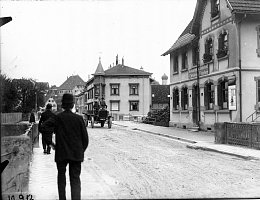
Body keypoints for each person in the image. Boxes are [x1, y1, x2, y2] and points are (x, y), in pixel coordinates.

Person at [42, 93, 89, 200]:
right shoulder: (79, 119)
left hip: (61, 152)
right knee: (75, 179)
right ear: (73, 105)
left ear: (62, 105)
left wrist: (51, 143)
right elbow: (85, 139)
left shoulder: (57, 118)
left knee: (61, 178)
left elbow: (44, 127)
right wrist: (80, 151)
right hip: (76, 154)